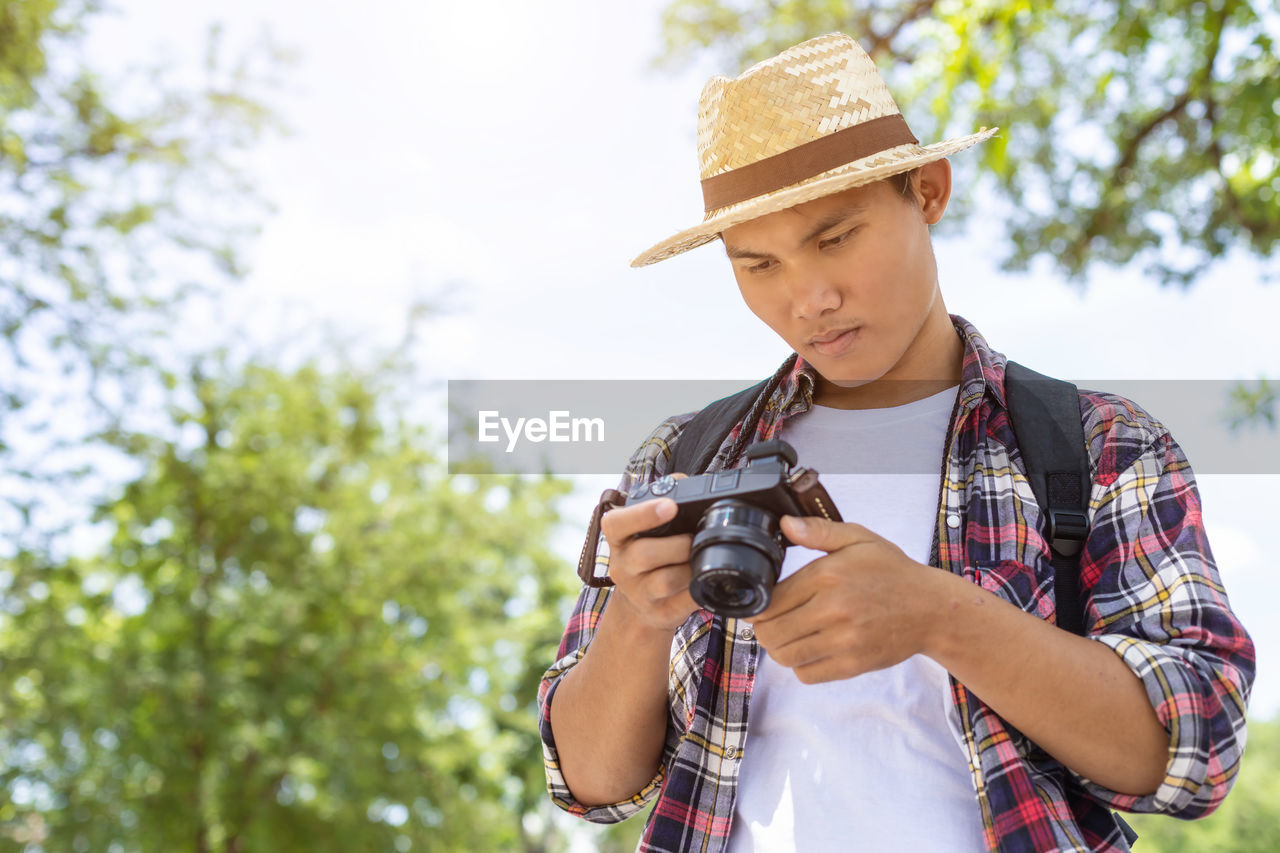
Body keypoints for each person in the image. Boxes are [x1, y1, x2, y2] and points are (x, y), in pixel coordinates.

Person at [536, 32, 1255, 852]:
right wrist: (638, 617)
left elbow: (1200, 748)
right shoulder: (685, 457)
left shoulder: (1099, 445)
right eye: (757, 263)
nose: (809, 297)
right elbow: (589, 785)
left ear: (929, 190)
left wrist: (940, 615)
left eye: (834, 237)